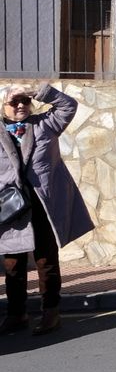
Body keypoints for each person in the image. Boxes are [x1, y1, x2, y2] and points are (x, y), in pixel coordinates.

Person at [0, 83, 94, 337]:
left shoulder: (45, 123)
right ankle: (16, 314)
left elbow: (68, 105)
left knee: (46, 259)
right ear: (3, 105)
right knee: (13, 263)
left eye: (25, 102)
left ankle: (51, 312)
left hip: (43, 203)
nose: (21, 106)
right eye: (14, 102)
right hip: (10, 206)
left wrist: (35, 92)